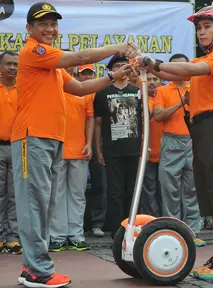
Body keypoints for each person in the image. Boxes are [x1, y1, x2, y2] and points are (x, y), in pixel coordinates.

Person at [13, 3, 132, 287]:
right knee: (34, 205)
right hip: (33, 137)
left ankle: (33, 267)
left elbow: (79, 89)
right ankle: (37, 271)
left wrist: (113, 77)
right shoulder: (34, 51)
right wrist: (118, 47)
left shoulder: (52, 68)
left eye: (54, 24)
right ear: (30, 29)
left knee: (44, 204)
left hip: (52, 139)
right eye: (43, 24)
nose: (50, 29)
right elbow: (78, 56)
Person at [125, 5, 213, 280]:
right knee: (212, 199)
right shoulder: (208, 58)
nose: (201, 32)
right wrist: (146, 66)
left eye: (207, 27)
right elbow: (173, 74)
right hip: (200, 130)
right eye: (199, 28)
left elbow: (189, 68)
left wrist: (155, 63)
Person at [153, 53, 204, 247]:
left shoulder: (197, 88)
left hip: (193, 141)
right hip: (171, 142)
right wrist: (181, 103)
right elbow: (158, 116)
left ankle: (193, 231)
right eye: (174, 67)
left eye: (183, 67)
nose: (179, 71)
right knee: (170, 189)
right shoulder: (162, 91)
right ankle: (172, 231)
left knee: (192, 189)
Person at [49, 64, 96, 252]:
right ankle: (58, 236)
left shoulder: (81, 89)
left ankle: (76, 235)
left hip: (79, 149)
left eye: (70, 66)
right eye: (64, 66)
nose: (68, 69)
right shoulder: (52, 88)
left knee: (78, 194)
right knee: (57, 194)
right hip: (57, 148)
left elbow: (90, 118)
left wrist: (89, 143)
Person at [94, 55, 141, 239]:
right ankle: (117, 232)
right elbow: (97, 123)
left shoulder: (136, 91)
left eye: (125, 65)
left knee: (133, 191)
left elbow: (144, 120)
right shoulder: (102, 92)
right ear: (111, 70)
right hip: (112, 150)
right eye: (118, 66)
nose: (122, 68)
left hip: (134, 149)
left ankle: (133, 229)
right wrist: (98, 149)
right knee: (115, 192)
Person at [0, 51, 21, 254]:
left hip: (18, 147)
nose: (12, 68)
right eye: (8, 64)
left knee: (16, 194)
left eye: (15, 64)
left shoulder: (24, 89)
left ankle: (13, 237)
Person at [140, 72, 163, 217]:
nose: (152, 82)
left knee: (165, 190)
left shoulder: (165, 96)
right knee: (148, 189)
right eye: (148, 79)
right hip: (146, 152)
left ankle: (166, 221)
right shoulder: (139, 98)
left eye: (155, 79)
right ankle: (150, 221)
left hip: (166, 151)